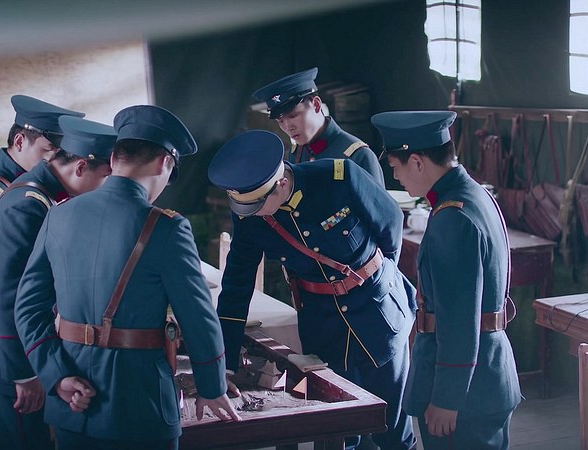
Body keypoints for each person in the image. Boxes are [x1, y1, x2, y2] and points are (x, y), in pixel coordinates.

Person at [15, 105, 238, 450]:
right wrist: (212, 386)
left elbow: (28, 308)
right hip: (139, 405)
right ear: (165, 163)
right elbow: (198, 318)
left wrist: (56, 377)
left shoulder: (59, 215)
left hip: (73, 403)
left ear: (114, 158)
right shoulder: (168, 228)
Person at [207, 129, 416, 449]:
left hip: (378, 313)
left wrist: (377, 281)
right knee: (336, 431)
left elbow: (390, 226)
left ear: (281, 184)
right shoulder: (251, 217)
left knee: (393, 426)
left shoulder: (339, 178)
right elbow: (237, 283)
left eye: (259, 205)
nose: (254, 214)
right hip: (323, 324)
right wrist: (227, 363)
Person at [374, 110, 522, 450]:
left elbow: (458, 319)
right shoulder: (475, 194)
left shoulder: (451, 219)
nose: (396, 177)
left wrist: (447, 398)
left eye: (395, 167)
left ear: (417, 162)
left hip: (465, 393)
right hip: (487, 373)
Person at [0, 95, 82, 449]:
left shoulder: (28, 188)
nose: (53, 159)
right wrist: (20, 370)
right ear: (20, 140)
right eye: (47, 150)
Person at [252, 67, 386, 187]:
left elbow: (379, 207)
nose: (288, 127)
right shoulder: (297, 153)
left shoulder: (358, 156)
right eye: (280, 121)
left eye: (293, 116)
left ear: (316, 105)